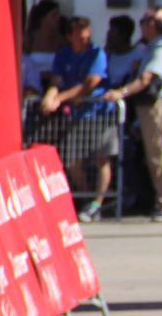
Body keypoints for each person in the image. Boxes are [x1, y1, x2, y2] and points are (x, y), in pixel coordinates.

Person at [104, 7, 162, 221]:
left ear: (152, 25)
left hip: (158, 105)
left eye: (144, 22)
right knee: (157, 154)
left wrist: (120, 92)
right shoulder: (152, 47)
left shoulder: (161, 48)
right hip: (153, 106)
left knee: (161, 154)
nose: (142, 27)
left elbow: (146, 78)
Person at [42, 16, 116, 222]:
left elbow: (90, 83)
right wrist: (50, 95)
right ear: (69, 36)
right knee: (73, 159)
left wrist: (59, 98)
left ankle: (97, 203)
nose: (85, 39)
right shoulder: (63, 55)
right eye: (79, 36)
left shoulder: (97, 53)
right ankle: (86, 197)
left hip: (99, 111)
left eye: (87, 35)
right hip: (77, 115)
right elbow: (56, 80)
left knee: (103, 158)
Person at [22, 0, 65, 96]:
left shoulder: (61, 40)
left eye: (58, 15)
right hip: (34, 85)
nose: (58, 18)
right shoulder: (30, 39)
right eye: (53, 15)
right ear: (43, 18)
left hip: (54, 87)